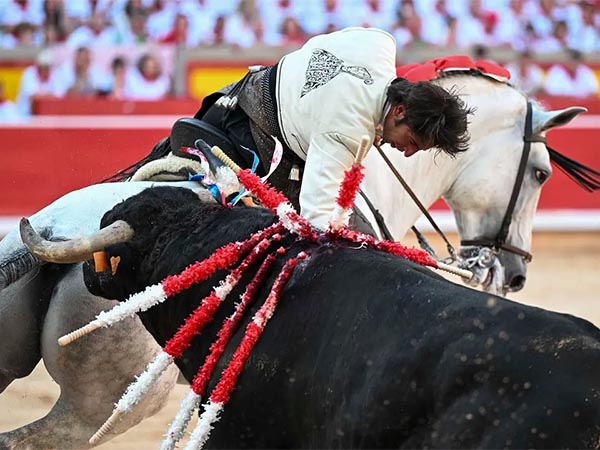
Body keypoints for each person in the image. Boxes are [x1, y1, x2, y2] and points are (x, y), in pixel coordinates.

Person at [116, 27, 472, 230]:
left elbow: (316, 46)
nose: (408, 153)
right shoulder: (348, 131)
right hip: (250, 137)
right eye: (413, 141)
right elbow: (316, 220)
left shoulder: (379, 44)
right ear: (399, 109)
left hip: (238, 94)